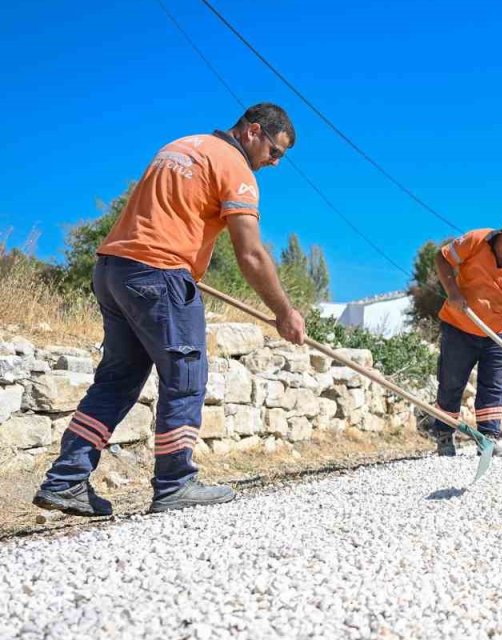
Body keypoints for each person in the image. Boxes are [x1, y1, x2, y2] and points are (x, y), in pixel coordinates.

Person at [33, 103, 306, 517]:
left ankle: (65, 480)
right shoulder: (235, 167)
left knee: (117, 381)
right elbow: (250, 253)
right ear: (253, 131)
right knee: (186, 376)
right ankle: (175, 484)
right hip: (159, 274)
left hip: (114, 269)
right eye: (275, 152)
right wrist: (285, 311)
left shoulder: (181, 146)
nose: (274, 162)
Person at [424, 215, 502, 456]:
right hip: (459, 327)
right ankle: (445, 435)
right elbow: (442, 258)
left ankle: (487, 439)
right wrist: (453, 292)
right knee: (451, 382)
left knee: (495, 386)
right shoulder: (476, 240)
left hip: (500, 335)